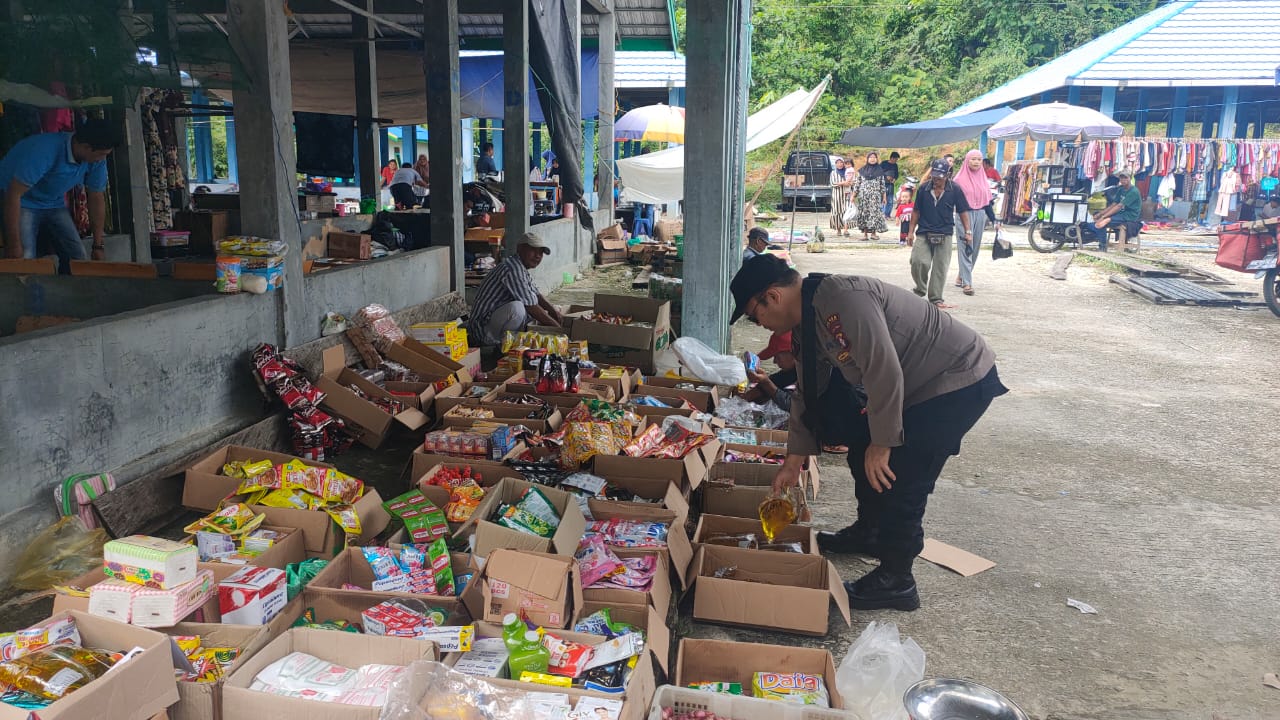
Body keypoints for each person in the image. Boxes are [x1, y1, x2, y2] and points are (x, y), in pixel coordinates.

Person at [729, 254, 1007, 610]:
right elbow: (806, 394)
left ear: (773, 296)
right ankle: (870, 532)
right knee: (860, 448)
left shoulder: (842, 299)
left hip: (955, 379)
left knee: (901, 473)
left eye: (755, 314)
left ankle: (897, 579)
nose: (759, 324)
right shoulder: (806, 320)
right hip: (912, 385)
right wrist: (792, 462)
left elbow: (883, 372)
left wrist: (884, 442)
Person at [1, 118, 120, 269]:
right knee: (24, 260)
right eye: (102, 154)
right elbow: (12, 194)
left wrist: (98, 246)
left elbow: (96, 197)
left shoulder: (95, 159)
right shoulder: (44, 150)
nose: (102, 159)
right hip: (21, 200)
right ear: (86, 147)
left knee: (78, 260)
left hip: (53, 202)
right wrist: (14, 245)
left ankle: (70, 292)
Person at [743, 330, 851, 454]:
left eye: (777, 356)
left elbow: (796, 405)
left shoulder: (816, 367)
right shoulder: (799, 363)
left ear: (792, 353)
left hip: (846, 415)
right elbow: (778, 380)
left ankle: (839, 440)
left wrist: (767, 384)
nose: (774, 362)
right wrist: (745, 397)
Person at [467, 232, 564, 346]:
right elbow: (531, 306)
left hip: (494, 321)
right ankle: (501, 345)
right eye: (533, 250)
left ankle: (511, 342)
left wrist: (554, 312)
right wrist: (560, 331)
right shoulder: (512, 268)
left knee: (553, 309)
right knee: (517, 309)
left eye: (541, 252)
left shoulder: (520, 267)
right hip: (482, 329)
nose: (538, 256)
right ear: (520, 249)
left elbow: (536, 294)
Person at [907, 159, 970, 309]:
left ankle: (936, 298)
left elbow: (963, 211)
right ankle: (920, 290)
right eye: (934, 176)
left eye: (940, 177)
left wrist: (968, 232)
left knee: (940, 267)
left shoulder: (955, 189)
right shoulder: (923, 189)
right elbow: (916, 211)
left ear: (948, 175)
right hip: (924, 230)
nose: (937, 180)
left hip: (945, 232)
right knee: (918, 261)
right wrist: (910, 232)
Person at [951, 150, 997, 296]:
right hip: (963, 215)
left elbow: (987, 202)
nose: (976, 162)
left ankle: (962, 276)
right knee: (966, 247)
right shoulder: (958, 180)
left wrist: (994, 220)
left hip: (981, 215)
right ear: (967, 161)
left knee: (975, 248)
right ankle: (967, 283)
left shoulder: (983, 179)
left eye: (979, 159)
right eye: (973, 159)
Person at [1093, 170, 1142, 252]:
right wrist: (1101, 214)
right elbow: (1114, 204)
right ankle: (1102, 245)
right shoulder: (1121, 189)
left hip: (1130, 215)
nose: (1123, 180)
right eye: (1121, 178)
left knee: (1104, 221)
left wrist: (1105, 217)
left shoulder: (1134, 191)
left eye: (1125, 178)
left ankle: (1102, 246)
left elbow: (1119, 206)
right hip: (1120, 213)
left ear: (1130, 178)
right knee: (1099, 221)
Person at [853, 152, 888, 241]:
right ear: (867, 159)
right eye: (871, 157)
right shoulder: (862, 171)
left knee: (874, 214)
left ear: (877, 159)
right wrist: (853, 196)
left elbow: (882, 185)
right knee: (864, 214)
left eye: (874, 157)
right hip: (864, 197)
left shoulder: (880, 171)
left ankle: (873, 233)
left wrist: (884, 197)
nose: (872, 159)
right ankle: (865, 234)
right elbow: (857, 184)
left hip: (875, 197)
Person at [828, 158, 854, 237]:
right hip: (837, 195)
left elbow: (854, 181)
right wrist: (843, 183)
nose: (839, 164)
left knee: (846, 211)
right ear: (835, 164)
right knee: (837, 212)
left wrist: (850, 184)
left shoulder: (848, 171)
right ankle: (838, 229)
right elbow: (832, 183)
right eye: (837, 163)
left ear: (843, 164)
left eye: (841, 162)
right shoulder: (833, 173)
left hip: (847, 195)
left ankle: (846, 230)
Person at [893, 180, 915, 246]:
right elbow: (898, 214)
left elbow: (915, 212)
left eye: (906, 197)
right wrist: (897, 220)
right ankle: (902, 240)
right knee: (903, 230)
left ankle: (909, 240)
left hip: (911, 221)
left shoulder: (913, 204)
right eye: (903, 197)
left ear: (910, 197)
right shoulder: (901, 206)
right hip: (904, 221)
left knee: (910, 230)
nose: (904, 198)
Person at [880, 152, 901, 217]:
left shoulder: (895, 165)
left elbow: (897, 174)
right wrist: (886, 176)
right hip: (883, 184)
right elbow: (879, 172)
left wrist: (894, 179)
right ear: (892, 158)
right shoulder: (884, 163)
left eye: (897, 160)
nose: (896, 161)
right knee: (882, 199)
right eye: (895, 159)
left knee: (890, 200)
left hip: (891, 184)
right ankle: (880, 213)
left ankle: (887, 214)